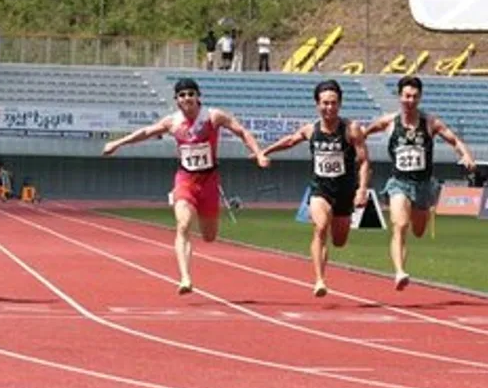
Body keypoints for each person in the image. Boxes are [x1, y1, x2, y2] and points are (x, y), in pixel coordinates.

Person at [102, 78, 269, 294]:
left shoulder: (213, 116)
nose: (187, 98)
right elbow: (146, 132)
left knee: (209, 237)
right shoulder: (173, 122)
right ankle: (185, 278)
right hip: (185, 180)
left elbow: (242, 131)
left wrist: (258, 153)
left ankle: (200, 232)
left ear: (198, 96)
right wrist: (117, 144)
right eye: (182, 95)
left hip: (209, 182)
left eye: (191, 93)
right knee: (183, 225)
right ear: (177, 100)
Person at [363, 75, 476, 290]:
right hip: (399, 182)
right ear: (400, 97)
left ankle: (403, 261)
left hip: (423, 186)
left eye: (414, 96)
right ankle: (399, 272)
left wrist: (466, 155)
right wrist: (359, 147)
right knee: (400, 225)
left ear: (420, 97)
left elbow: (454, 139)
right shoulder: (389, 122)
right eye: (406, 96)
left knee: (418, 230)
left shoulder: (430, 123)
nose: (410, 100)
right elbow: (364, 133)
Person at [260, 80, 370, 297]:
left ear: (340, 104)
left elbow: (364, 162)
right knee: (320, 227)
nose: (329, 108)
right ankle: (319, 280)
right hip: (320, 188)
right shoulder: (312, 129)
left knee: (339, 241)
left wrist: (362, 189)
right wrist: (265, 151)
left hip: (345, 191)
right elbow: (291, 140)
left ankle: (328, 249)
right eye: (325, 103)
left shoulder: (351, 129)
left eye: (333, 103)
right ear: (317, 105)